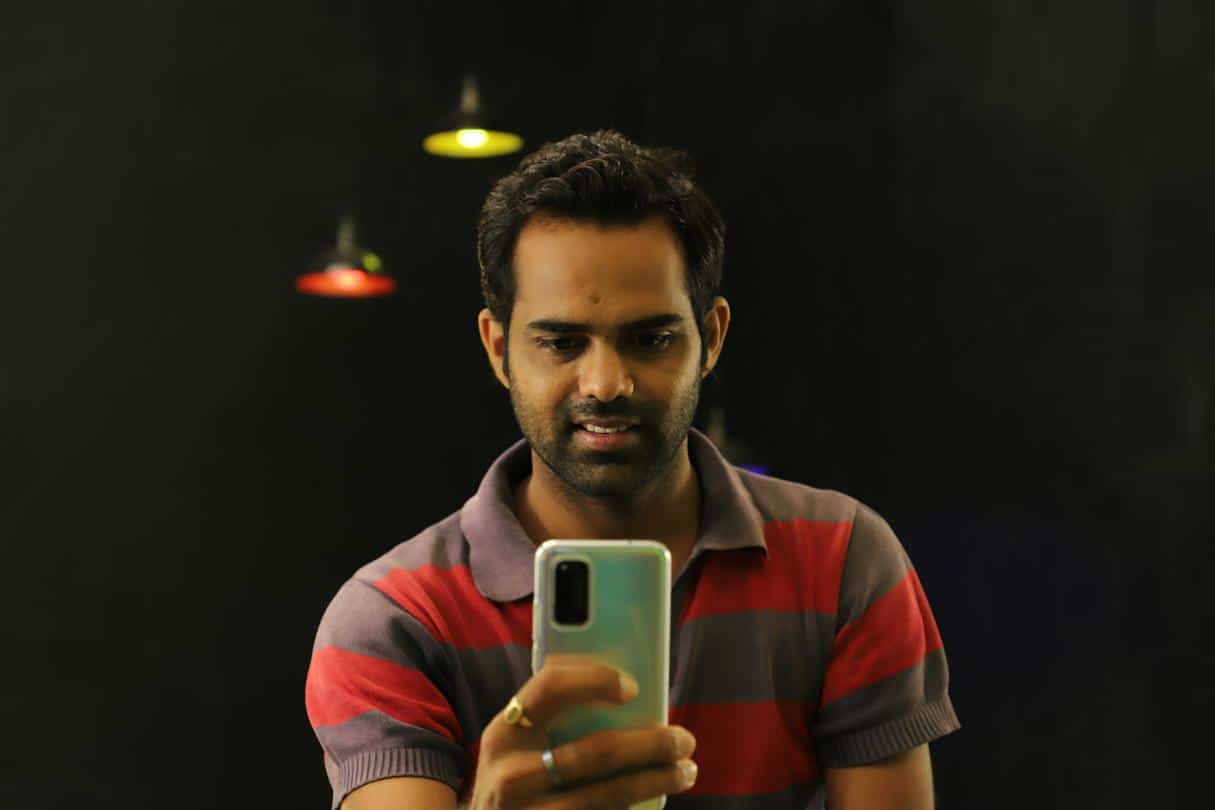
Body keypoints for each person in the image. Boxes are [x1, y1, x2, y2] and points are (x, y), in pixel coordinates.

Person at [305, 130, 960, 809]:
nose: (605, 383)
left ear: (711, 338)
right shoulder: (393, 621)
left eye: (650, 339)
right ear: (498, 349)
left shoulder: (843, 560)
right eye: (561, 343)